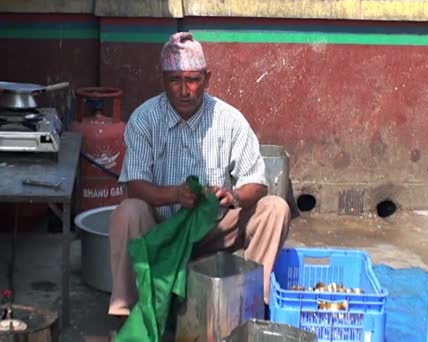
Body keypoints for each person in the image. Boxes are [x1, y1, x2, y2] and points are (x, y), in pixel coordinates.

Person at [108, 31, 291, 322]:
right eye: (175, 80)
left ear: (207, 78)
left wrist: (232, 197)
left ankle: (252, 306)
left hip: (217, 231)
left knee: (275, 208)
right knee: (128, 211)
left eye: (192, 80)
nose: (184, 90)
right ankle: (128, 313)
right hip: (164, 228)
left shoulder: (229, 119)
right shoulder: (145, 119)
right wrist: (175, 195)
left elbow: (257, 182)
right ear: (162, 81)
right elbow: (135, 186)